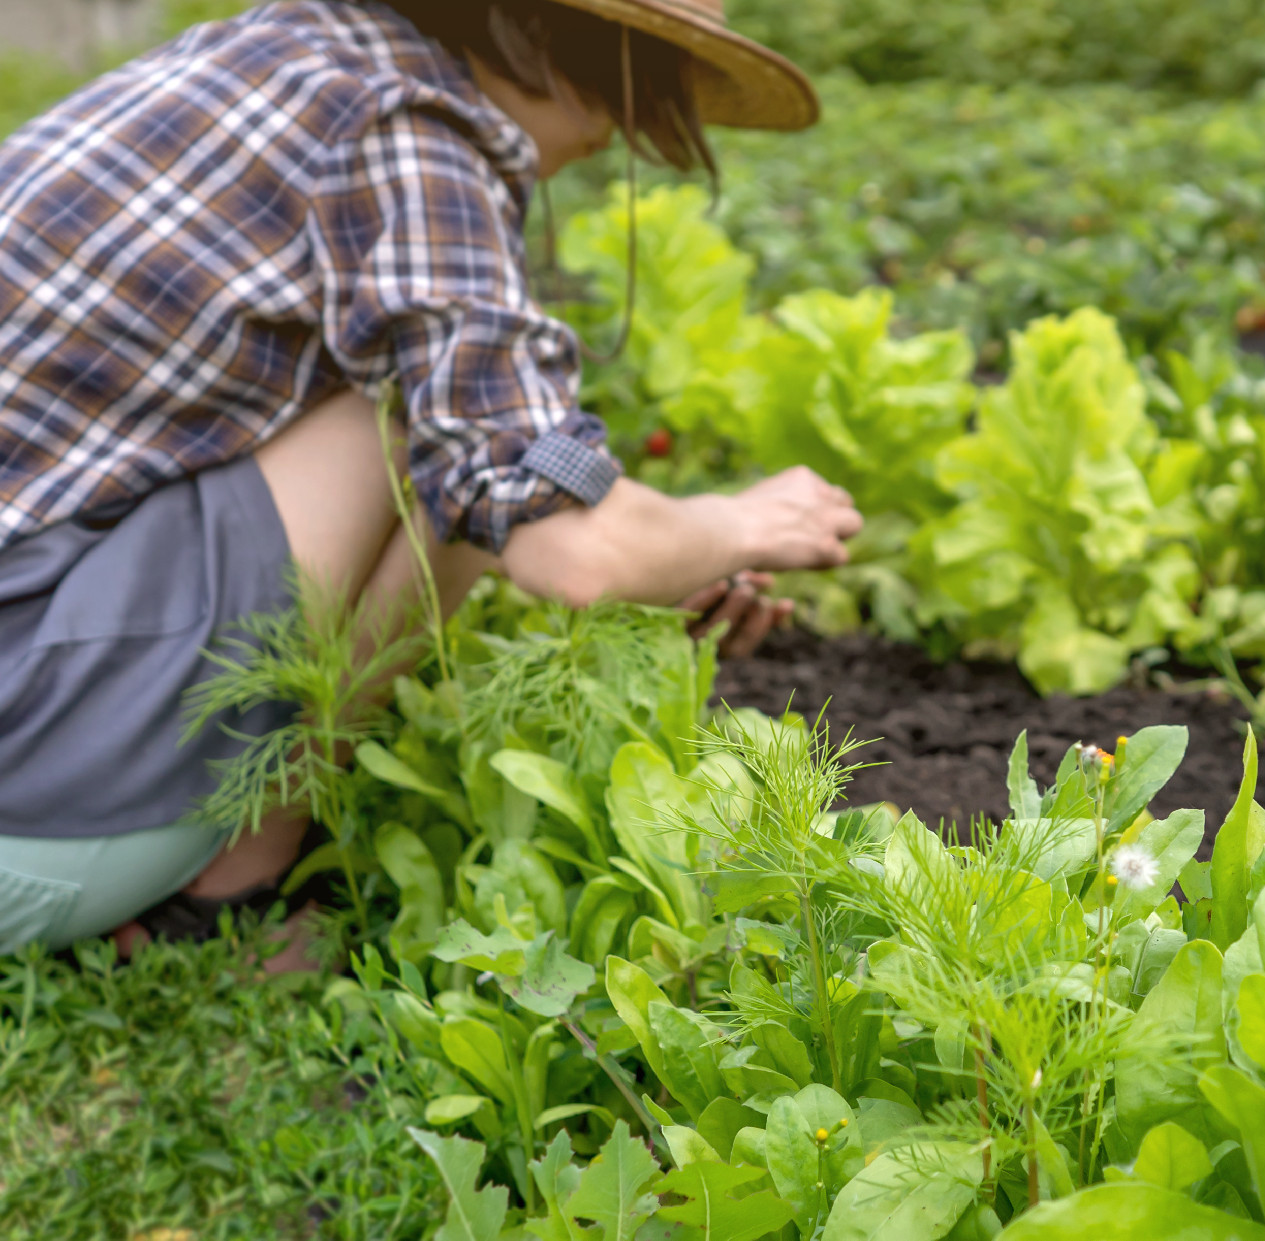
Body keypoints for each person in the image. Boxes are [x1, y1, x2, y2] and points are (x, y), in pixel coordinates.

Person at [0, 0, 862, 961]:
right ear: (577, 47)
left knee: (456, 407)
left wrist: (669, 544)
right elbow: (575, 549)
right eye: (645, 85)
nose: (616, 136)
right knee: (431, 415)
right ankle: (231, 891)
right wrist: (734, 523)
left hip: (27, 714)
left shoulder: (287, 51)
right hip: (33, 824)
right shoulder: (408, 129)